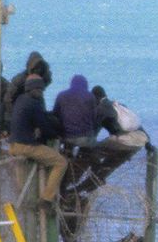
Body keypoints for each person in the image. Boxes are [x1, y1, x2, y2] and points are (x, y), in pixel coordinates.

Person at [8, 73, 67, 203]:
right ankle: (47, 199)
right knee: (61, 162)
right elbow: (44, 127)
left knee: (29, 169)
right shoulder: (34, 103)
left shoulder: (21, 99)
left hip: (12, 145)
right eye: (39, 89)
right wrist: (56, 135)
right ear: (32, 89)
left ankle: (23, 198)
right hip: (25, 146)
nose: (41, 92)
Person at [53, 73, 98, 148]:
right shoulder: (90, 96)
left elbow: (55, 115)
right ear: (85, 84)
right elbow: (94, 118)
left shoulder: (61, 95)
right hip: (86, 137)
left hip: (67, 137)